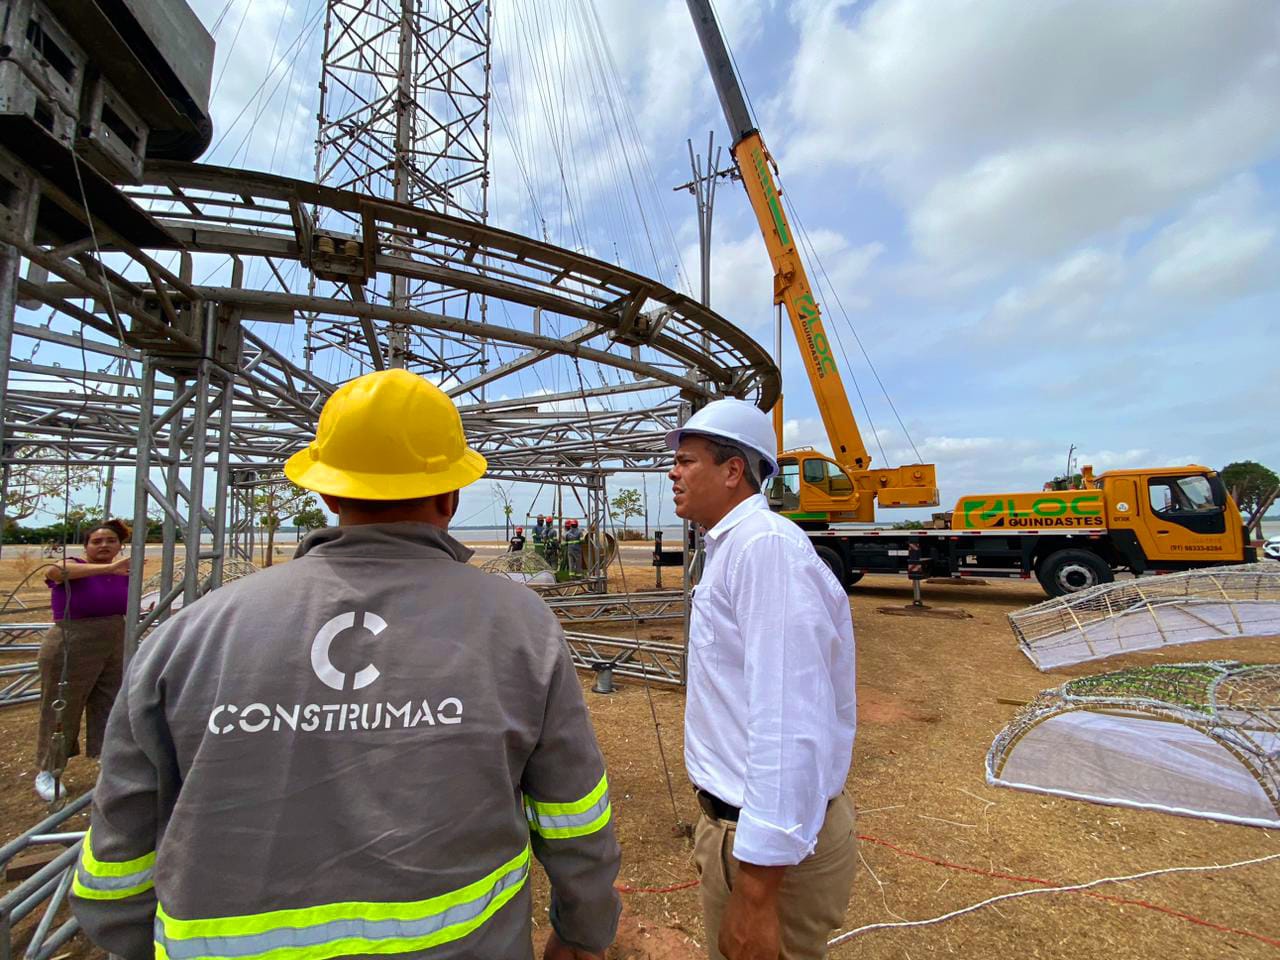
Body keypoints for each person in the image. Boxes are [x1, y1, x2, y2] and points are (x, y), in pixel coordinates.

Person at [71, 369, 622, 960]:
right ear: (451, 494)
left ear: (329, 493)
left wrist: (132, 941)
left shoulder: (189, 636)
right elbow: (573, 813)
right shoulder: (519, 625)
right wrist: (582, 932)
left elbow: (119, 850)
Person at [666, 398, 858, 960]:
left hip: (763, 852)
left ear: (733, 471)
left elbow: (787, 717)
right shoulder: (733, 547)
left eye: (688, 460)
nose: (673, 472)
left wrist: (754, 891)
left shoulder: (764, 549)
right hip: (738, 833)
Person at [34, 519, 131, 802]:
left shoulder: (124, 574)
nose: (104, 546)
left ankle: (110, 763)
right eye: (97, 541)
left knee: (111, 705)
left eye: (110, 541)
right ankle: (48, 770)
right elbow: (55, 572)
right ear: (86, 545)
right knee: (62, 706)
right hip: (72, 640)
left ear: (120, 546)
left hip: (114, 638)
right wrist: (109, 568)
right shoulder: (73, 565)